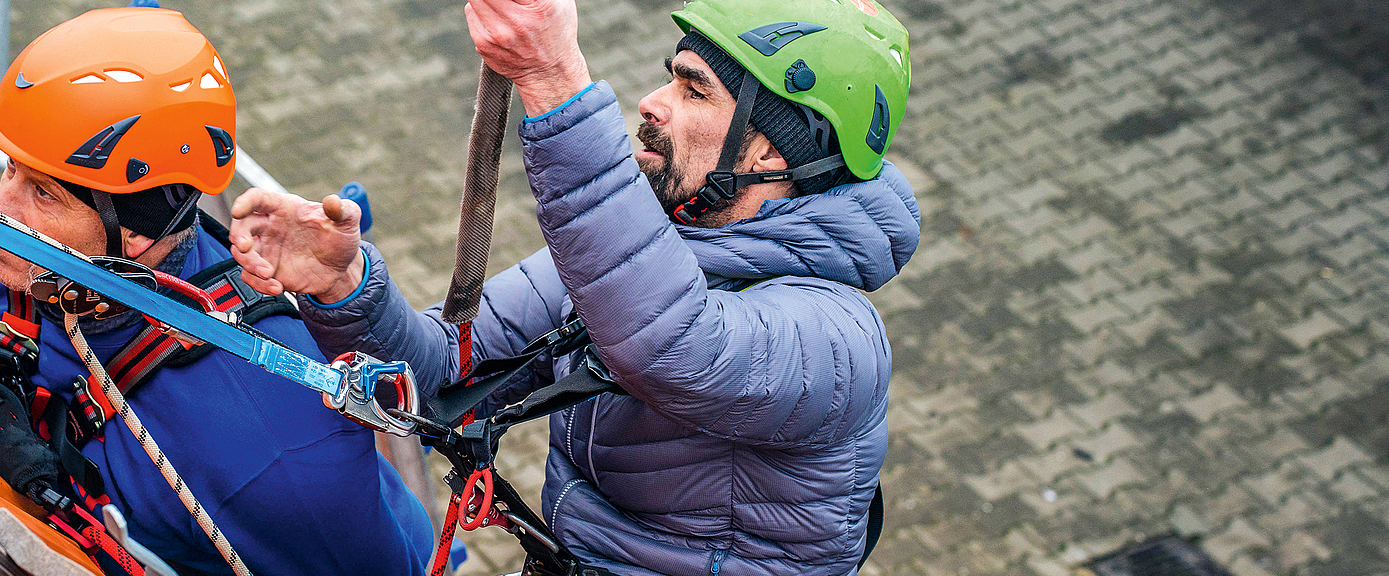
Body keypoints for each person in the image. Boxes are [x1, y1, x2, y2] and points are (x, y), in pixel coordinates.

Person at [228, 0, 920, 573]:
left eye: (692, 88)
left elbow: (672, 343)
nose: (652, 102)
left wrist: (554, 77)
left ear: (770, 147)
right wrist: (345, 289)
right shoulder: (643, 248)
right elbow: (440, 376)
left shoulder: (839, 338)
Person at [0, 7, 432, 575]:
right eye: (9, 169)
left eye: (44, 194)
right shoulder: (6, 266)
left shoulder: (274, 465)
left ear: (139, 230)